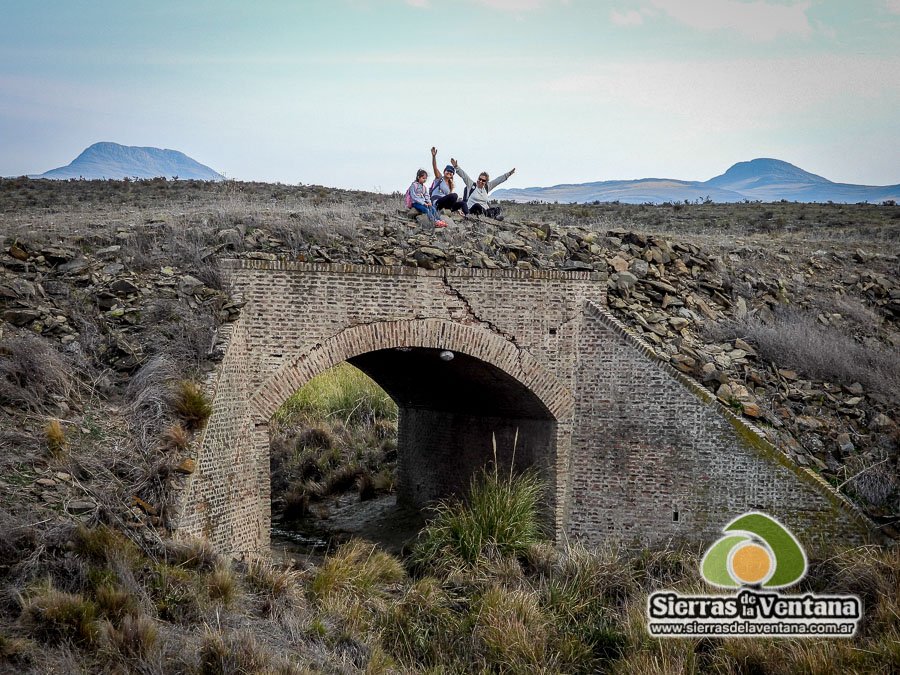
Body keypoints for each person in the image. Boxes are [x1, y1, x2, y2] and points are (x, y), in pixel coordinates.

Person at [451, 158, 515, 219]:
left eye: (483, 180)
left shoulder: (487, 187)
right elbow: (464, 176)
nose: (481, 181)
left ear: (486, 182)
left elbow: (498, 181)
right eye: (480, 179)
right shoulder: (472, 185)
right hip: (471, 209)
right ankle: (492, 216)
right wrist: (456, 167)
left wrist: (508, 174)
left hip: (483, 210)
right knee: (477, 205)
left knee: (498, 208)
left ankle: (494, 216)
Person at [430, 147, 463, 212]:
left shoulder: (450, 185)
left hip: (444, 203)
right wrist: (434, 157)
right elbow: (435, 167)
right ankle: (446, 210)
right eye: (448, 171)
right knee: (454, 196)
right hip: (437, 201)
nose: (449, 173)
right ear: (444, 171)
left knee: (462, 203)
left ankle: (466, 215)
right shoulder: (439, 178)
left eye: (451, 172)